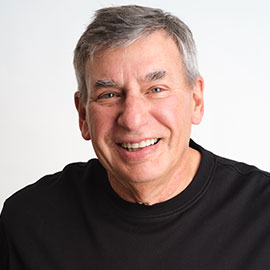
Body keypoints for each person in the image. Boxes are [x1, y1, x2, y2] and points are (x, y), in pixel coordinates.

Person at [1, 5, 270, 269]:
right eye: (109, 95)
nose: (132, 119)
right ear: (83, 114)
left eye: (156, 89)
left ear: (196, 100)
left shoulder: (262, 215)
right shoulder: (27, 224)